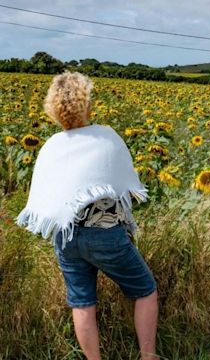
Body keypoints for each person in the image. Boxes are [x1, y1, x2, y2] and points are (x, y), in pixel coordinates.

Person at [15, 71, 159, 360]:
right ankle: (148, 356)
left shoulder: (52, 146)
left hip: (66, 237)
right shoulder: (106, 136)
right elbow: (124, 183)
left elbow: (48, 194)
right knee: (145, 290)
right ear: (87, 104)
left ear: (53, 108)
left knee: (82, 303)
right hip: (105, 234)